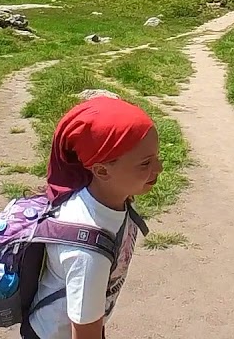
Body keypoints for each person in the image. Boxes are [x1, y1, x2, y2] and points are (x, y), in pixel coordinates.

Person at [27, 94, 162, 339]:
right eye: (145, 164)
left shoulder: (108, 199)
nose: (159, 168)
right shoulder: (88, 252)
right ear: (101, 170)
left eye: (157, 157)